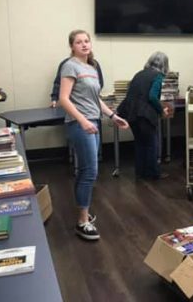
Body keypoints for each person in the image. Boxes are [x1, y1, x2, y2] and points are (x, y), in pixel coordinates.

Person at [58, 29, 129, 241]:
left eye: (86, 41)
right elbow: (64, 98)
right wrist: (82, 120)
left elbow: (95, 98)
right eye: (79, 42)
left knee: (86, 171)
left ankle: (84, 212)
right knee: (90, 172)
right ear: (72, 46)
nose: (84, 44)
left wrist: (112, 115)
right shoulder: (69, 65)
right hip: (80, 124)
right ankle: (82, 222)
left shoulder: (92, 67)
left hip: (93, 122)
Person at [116, 52, 172, 180]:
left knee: (140, 143)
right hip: (145, 115)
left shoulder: (139, 74)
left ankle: (140, 172)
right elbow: (152, 96)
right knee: (152, 144)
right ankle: (153, 173)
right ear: (165, 65)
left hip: (131, 113)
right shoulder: (158, 76)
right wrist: (162, 110)